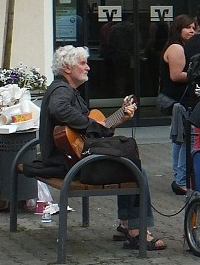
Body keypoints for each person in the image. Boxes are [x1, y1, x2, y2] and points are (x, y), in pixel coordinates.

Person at [38, 45, 164, 250]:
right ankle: (136, 231)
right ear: (67, 68)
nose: (88, 67)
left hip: (71, 156)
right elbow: (60, 110)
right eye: (82, 63)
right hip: (65, 162)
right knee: (135, 169)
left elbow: (96, 129)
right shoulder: (61, 90)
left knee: (128, 164)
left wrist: (119, 117)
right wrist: (90, 125)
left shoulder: (68, 90)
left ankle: (125, 225)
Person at [159, 13, 195, 194]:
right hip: (177, 101)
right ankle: (181, 180)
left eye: (194, 28)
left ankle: (179, 177)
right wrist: (199, 74)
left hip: (175, 100)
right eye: (188, 27)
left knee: (178, 139)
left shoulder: (177, 46)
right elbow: (176, 75)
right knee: (184, 139)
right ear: (178, 28)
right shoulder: (176, 48)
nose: (192, 31)